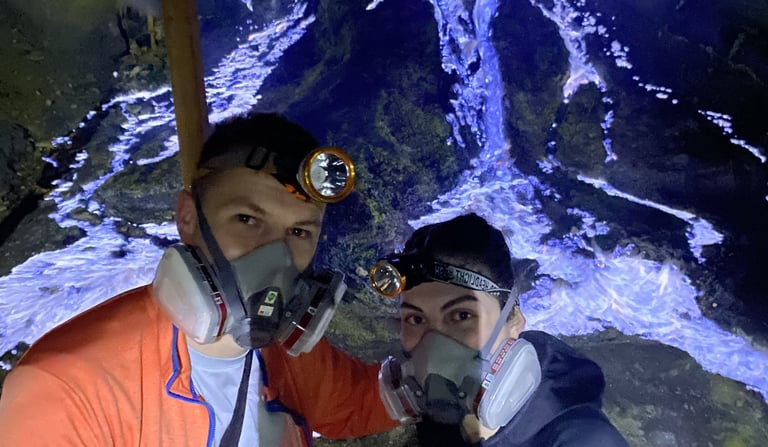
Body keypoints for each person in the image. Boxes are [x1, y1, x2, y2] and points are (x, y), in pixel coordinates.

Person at [0, 112, 397, 446]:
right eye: (247, 220)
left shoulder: (294, 359)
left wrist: (430, 379)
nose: (275, 259)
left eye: (299, 233)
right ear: (188, 217)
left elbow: (357, 403)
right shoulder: (65, 387)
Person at [369, 213, 629, 446]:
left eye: (462, 315)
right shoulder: (442, 431)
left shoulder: (584, 440)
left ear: (513, 320)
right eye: (415, 319)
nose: (434, 347)